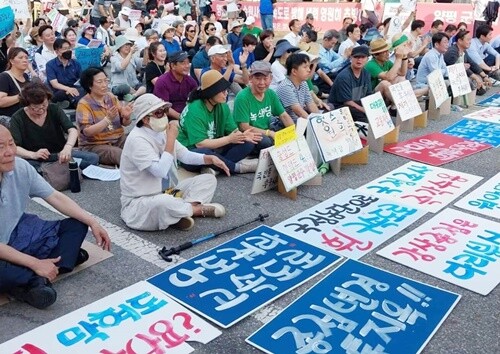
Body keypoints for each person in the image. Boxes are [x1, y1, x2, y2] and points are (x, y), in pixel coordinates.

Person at [0, 124, 109, 309]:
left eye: (11, 144)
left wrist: (92, 222)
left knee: (77, 224)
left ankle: (30, 275)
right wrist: (35, 263)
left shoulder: (21, 167)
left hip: (15, 233)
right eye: (1, 147)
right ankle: (32, 282)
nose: (9, 152)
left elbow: (55, 196)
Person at [120, 93, 227, 231]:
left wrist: (208, 159)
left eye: (165, 111)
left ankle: (179, 213)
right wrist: (170, 139)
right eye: (159, 113)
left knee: (208, 179)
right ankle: (195, 210)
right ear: (145, 119)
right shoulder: (137, 140)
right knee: (163, 202)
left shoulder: (160, 132)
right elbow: (160, 171)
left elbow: (185, 155)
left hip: (170, 192)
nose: (164, 115)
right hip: (141, 201)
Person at [178, 70, 260, 174]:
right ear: (211, 92)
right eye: (223, 91)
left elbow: (233, 132)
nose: (226, 94)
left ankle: (214, 167)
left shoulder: (222, 105)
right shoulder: (194, 109)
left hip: (216, 146)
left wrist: (243, 136)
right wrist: (229, 139)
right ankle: (237, 168)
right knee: (205, 152)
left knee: (248, 143)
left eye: (226, 90)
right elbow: (200, 144)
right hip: (191, 151)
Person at [10, 82, 99, 171]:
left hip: (60, 154)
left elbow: (72, 129)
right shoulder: (17, 118)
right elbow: (15, 146)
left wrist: (68, 147)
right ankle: (62, 170)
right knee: (24, 168)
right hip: (36, 158)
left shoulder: (54, 109)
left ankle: (54, 171)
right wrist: (33, 154)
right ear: (26, 105)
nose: (41, 110)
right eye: (35, 108)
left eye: (44, 105)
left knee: (92, 158)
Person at [76, 67, 133, 166]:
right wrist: (107, 120)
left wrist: (127, 116)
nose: (104, 85)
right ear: (89, 85)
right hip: (95, 145)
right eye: (99, 82)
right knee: (118, 154)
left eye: (106, 81)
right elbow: (87, 131)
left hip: (117, 138)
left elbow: (125, 123)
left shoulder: (110, 97)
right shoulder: (84, 104)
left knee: (137, 145)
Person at [233, 61, 294, 152]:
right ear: (251, 78)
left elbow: (283, 115)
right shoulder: (242, 97)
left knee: (290, 127)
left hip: (267, 129)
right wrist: (269, 133)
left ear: (271, 78)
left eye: (265, 78)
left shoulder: (270, 93)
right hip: (249, 135)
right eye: (257, 78)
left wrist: (293, 132)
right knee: (265, 142)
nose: (262, 83)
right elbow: (244, 127)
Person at [328, 46, 372, 124]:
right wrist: (364, 110)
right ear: (351, 58)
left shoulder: (366, 73)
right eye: (356, 57)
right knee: (361, 115)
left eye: (363, 57)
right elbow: (347, 102)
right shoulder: (344, 76)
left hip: (356, 103)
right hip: (339, 106)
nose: (359, 60)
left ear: (367, 59)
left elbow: (368, 95)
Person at [275, 52, 319, 129]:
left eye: (309, 67)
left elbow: (310, 103)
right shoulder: (285, 86)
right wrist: (315, 124)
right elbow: (297, 110)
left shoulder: (303, 83)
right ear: (294, 71)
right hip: (285, 125)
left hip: (299, 121)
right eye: (305, 67)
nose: (309, 70)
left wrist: (320, 119)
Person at [444, 30, 492, 96]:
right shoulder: (452, 52)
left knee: (479, 77)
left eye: (470, 40)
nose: (470, 42)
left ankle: (478, 88)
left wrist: (484, 76)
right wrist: (476, 78)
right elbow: (458, 68)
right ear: (460, 41)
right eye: (468, 40)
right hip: (450, 76)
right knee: (471, 80)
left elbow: (472, 63)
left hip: (461, 73)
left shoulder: (463, 50)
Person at [154, 51, 198, 120]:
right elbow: (164, 107)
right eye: (183, 63)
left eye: (188, 62)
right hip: (168, 119)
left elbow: (197, 100)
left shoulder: (190, 81)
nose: (187, 66)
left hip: (188, 115)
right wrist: (182, 118)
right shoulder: (162, 82)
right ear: (173, 66)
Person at [365, 37, 409, 105]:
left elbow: (402, 73)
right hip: (371, 97)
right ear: (376, 55)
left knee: (401, 78)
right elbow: (388, 77)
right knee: (384, 83)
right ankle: (403, 105)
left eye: (387, 50)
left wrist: (404, 57)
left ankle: (395, 107)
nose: (388, 53)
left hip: (383, 95)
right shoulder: (370, 64)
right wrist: (398, 59)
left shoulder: (386, 62)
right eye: (384, 52)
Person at [46, 38, 85, 108]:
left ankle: (69, 104)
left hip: (75, 88)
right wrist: (68, 89)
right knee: (63, 93)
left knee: (83, 90)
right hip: (59, 90)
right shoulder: (50, 65)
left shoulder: (75, 63)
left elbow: (81, 79)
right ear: (57, 51)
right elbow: (54, 84)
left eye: (69, 48)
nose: (68, 51)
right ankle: (73, 103)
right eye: (64, 49)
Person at [110, 35, 145, 101]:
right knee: (125, 88)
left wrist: (146, 50)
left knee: (144, 86)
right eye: (125, 45)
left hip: (133, 84)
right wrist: (131, 53)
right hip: (119, 86)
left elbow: (142, 64)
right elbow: (121, 67)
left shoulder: (133, 56)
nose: (127, 47)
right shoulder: (114, 58)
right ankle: (136, 94)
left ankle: (134, 96)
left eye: (129, 45)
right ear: (119, 47)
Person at [315, 30, 348, 96]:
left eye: (334, 44)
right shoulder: (318, 51)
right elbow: (329, 66)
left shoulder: (329, 50)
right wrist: (344, 56)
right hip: (320, 79)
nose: (333, 46)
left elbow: (340, 59)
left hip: (330, 74)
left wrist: (348, 57)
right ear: (326, 39)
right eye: (332, 43)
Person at [0, 48, 30, 117]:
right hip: (11, 119)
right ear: (12, 61)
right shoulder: (4, 77)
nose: (25, 60)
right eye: (20, 58)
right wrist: (21, 96)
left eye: (26, 58)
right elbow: (1, 101)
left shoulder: (25, 76)